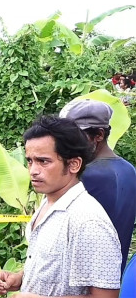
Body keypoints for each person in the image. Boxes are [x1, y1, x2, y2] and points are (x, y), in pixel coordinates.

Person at [0, 115, 122, 297]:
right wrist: (20, 278)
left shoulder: (88, 221)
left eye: (43, 161)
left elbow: (106, 297)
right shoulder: (49, 201)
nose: (33, 170)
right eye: (30, 160)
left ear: (74, 164)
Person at [60, 99, 136, 273]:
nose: (68, 143)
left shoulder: (88, 175)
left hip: (83, 280)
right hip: (112, 279)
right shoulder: (129, 170)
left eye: (75, 136)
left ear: (99, 135)